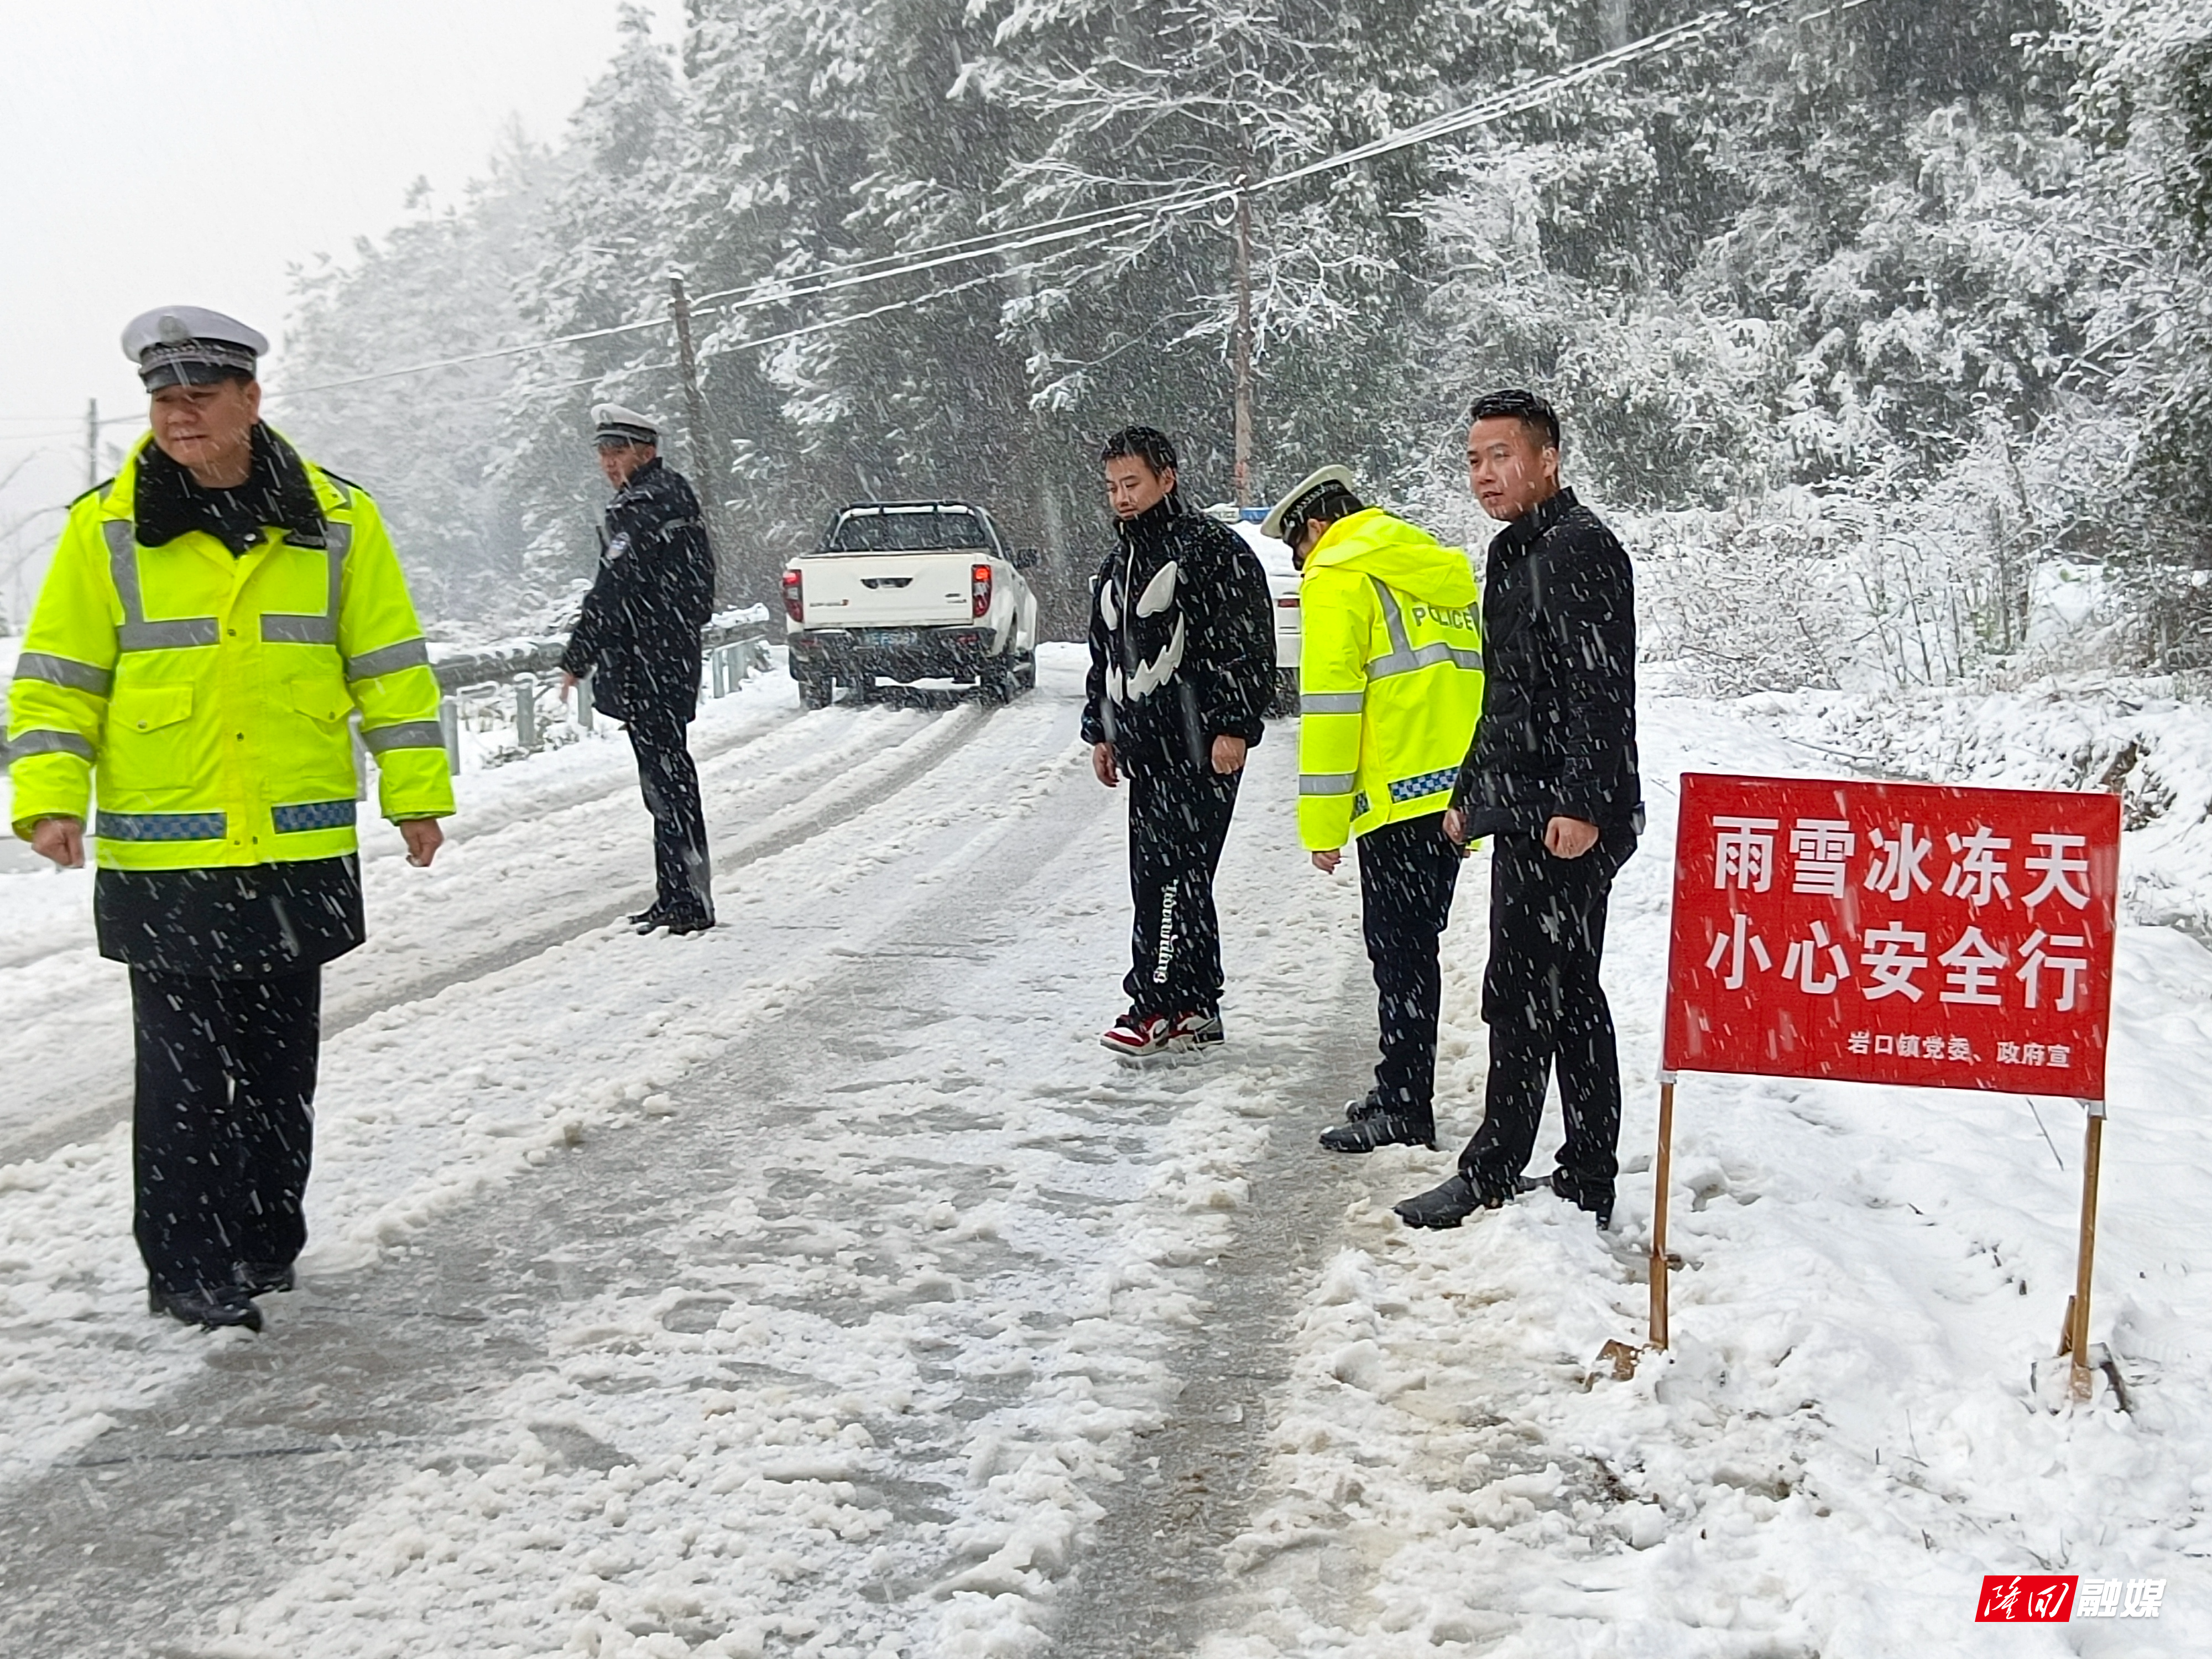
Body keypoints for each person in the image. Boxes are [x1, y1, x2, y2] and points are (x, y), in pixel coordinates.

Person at [7, 306, 454, 1330]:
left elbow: (388, 666)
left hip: (298, 844)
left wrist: (417, 794)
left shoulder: (339, 519)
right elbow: (58, 681)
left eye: (199, 397)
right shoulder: (105, 528)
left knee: (279, 1068)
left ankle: (264, 1243)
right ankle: (188, 1266)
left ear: (250, 400)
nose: (178, 416)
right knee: (183, 1077)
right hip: (167, 854)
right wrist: (49, 798)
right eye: (163, 400)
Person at [1395, 390, 1642, 1232]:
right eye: (1474, 460)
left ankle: (1495, 1170)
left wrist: (1582, 804)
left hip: (1567, 816)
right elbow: (1508, 693)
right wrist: (1471, 792)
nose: (1484, 474)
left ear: (1548, 459)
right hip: (1528, 804)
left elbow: (1600, 690)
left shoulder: (1581, 548)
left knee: (1526, 993)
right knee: (1563, 993)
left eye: (1501, 456)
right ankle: (1585, 1175)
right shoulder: (1515, 550)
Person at [1261, 466, 1485, 1155]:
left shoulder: (1340, 575)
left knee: (1399, 955)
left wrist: (1322, 826)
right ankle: (1397, 1088)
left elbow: (1332, 707)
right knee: (1414, 948)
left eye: (1299, 552)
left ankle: (1406, 1106)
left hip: (1397, 797)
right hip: (1454, 792)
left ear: (1318, 527)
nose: (1303, 568)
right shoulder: (1431, 568)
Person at [1082, 426, 1275, 1057]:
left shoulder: (1212, 550)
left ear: (1167, 478)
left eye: (1132, 483)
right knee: (1170, 878)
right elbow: (1106, 656)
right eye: (1112, 487)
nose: (1122, 498)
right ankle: (1195, 1006)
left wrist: (1234, 725)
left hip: (1201, 746)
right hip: (1145, 751)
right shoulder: (1117, 564)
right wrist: (1102, 731)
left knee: (1169, 879)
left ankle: (1154, 1006)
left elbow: (1247, 642)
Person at [559, 405, 718, 935]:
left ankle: (688, 900)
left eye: (618, 451)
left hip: (653, 665)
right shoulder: (663, 498)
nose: (608, 462)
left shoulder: (648, 505)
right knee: (666, 784)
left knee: (668, 785)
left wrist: (578, 656)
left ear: (645, 452)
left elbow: (613, 588)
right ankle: (677, 894)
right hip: (662, 660)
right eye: (603, 452)